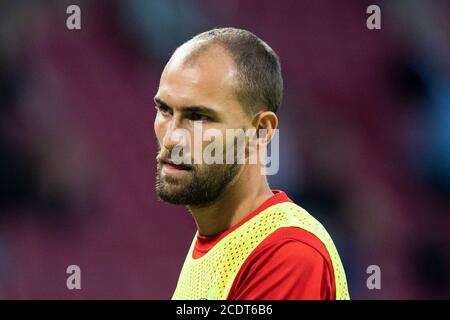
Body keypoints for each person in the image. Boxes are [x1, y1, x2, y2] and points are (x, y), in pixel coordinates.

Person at [153, 27, 349, 300]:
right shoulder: (219, 240)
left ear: (260, 131)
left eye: (198, 116)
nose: (172, 138)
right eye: (164, 110)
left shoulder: (288, 252)